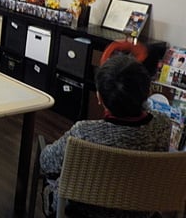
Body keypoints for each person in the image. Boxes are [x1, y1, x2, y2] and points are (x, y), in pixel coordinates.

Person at [40, 55, 172, 218]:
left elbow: (47, 162)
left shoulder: (83, 132)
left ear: (99, 98)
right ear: (148, 92)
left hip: (81, 212)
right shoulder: (163, 125)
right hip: (139, 212)